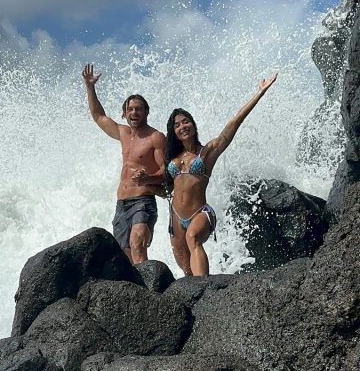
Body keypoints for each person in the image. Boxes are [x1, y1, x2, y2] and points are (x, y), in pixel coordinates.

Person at [166, 75, 278, 278]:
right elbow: (162, 185)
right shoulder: (172, 157)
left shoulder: (207, 151)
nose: (183, 126)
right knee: (185, 269)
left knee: (193, 237)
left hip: (199, 213)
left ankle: (206, 288)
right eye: (177, 125)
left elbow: (234, 123)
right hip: (175, 216)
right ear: (173, 132)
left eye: (186, 122)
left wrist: (259, 92)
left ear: (193, 124)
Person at [82, 64, 167, 263]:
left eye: (138, 109)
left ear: (146, 112)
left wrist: (149, 177)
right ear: (124, 113)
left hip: (143, 202)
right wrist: (90, 88)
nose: (134, 113)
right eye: (130, 109)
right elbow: (99, 116)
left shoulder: (156, 137)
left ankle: (148, 292)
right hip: (121, 204)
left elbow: (166, 171)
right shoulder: (123, 133)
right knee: (126, 258)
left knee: (137, 244)